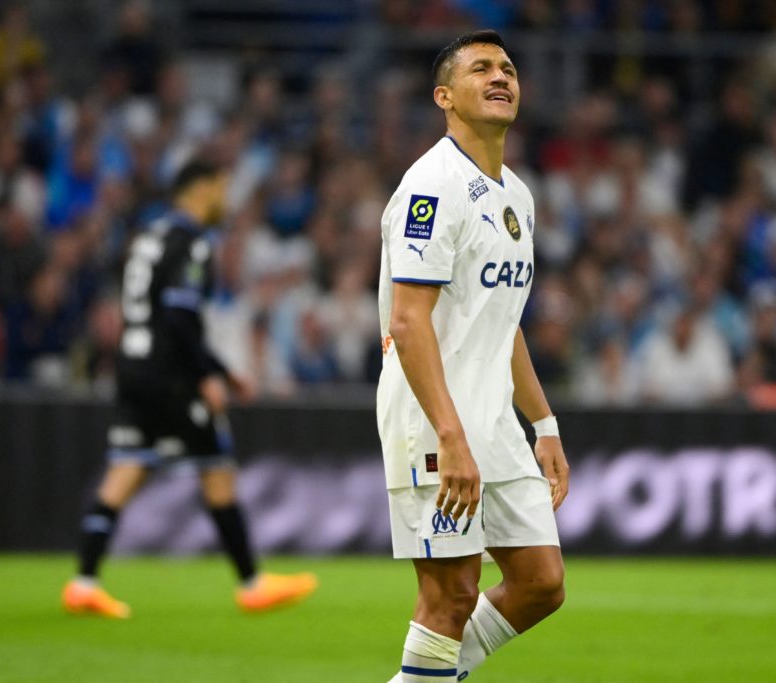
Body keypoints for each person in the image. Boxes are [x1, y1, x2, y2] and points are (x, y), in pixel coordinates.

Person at [376, 30, 569, 682]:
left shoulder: (519, 195)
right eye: (481, 67)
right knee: (449, 595)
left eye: (509, 68)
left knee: (541, 581)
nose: (500, 76)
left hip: (494, 423)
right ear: (444, 96)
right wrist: (451, 435)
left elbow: (502, 322)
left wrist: (542, 423)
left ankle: (436, 676)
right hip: (434, 417)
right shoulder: (431, 186)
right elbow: (408, 320)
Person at [61, 161, 317, 618]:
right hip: (170, 374)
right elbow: (180, 317)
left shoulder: (149, 236)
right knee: (216, 465)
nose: (225, 198)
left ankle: (83, 581)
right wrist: (208, 375)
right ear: (200, 190)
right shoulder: (194, 241)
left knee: (126, 470)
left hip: (132, 365)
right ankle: (251, 583)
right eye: (221, 186)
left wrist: (218, 369)